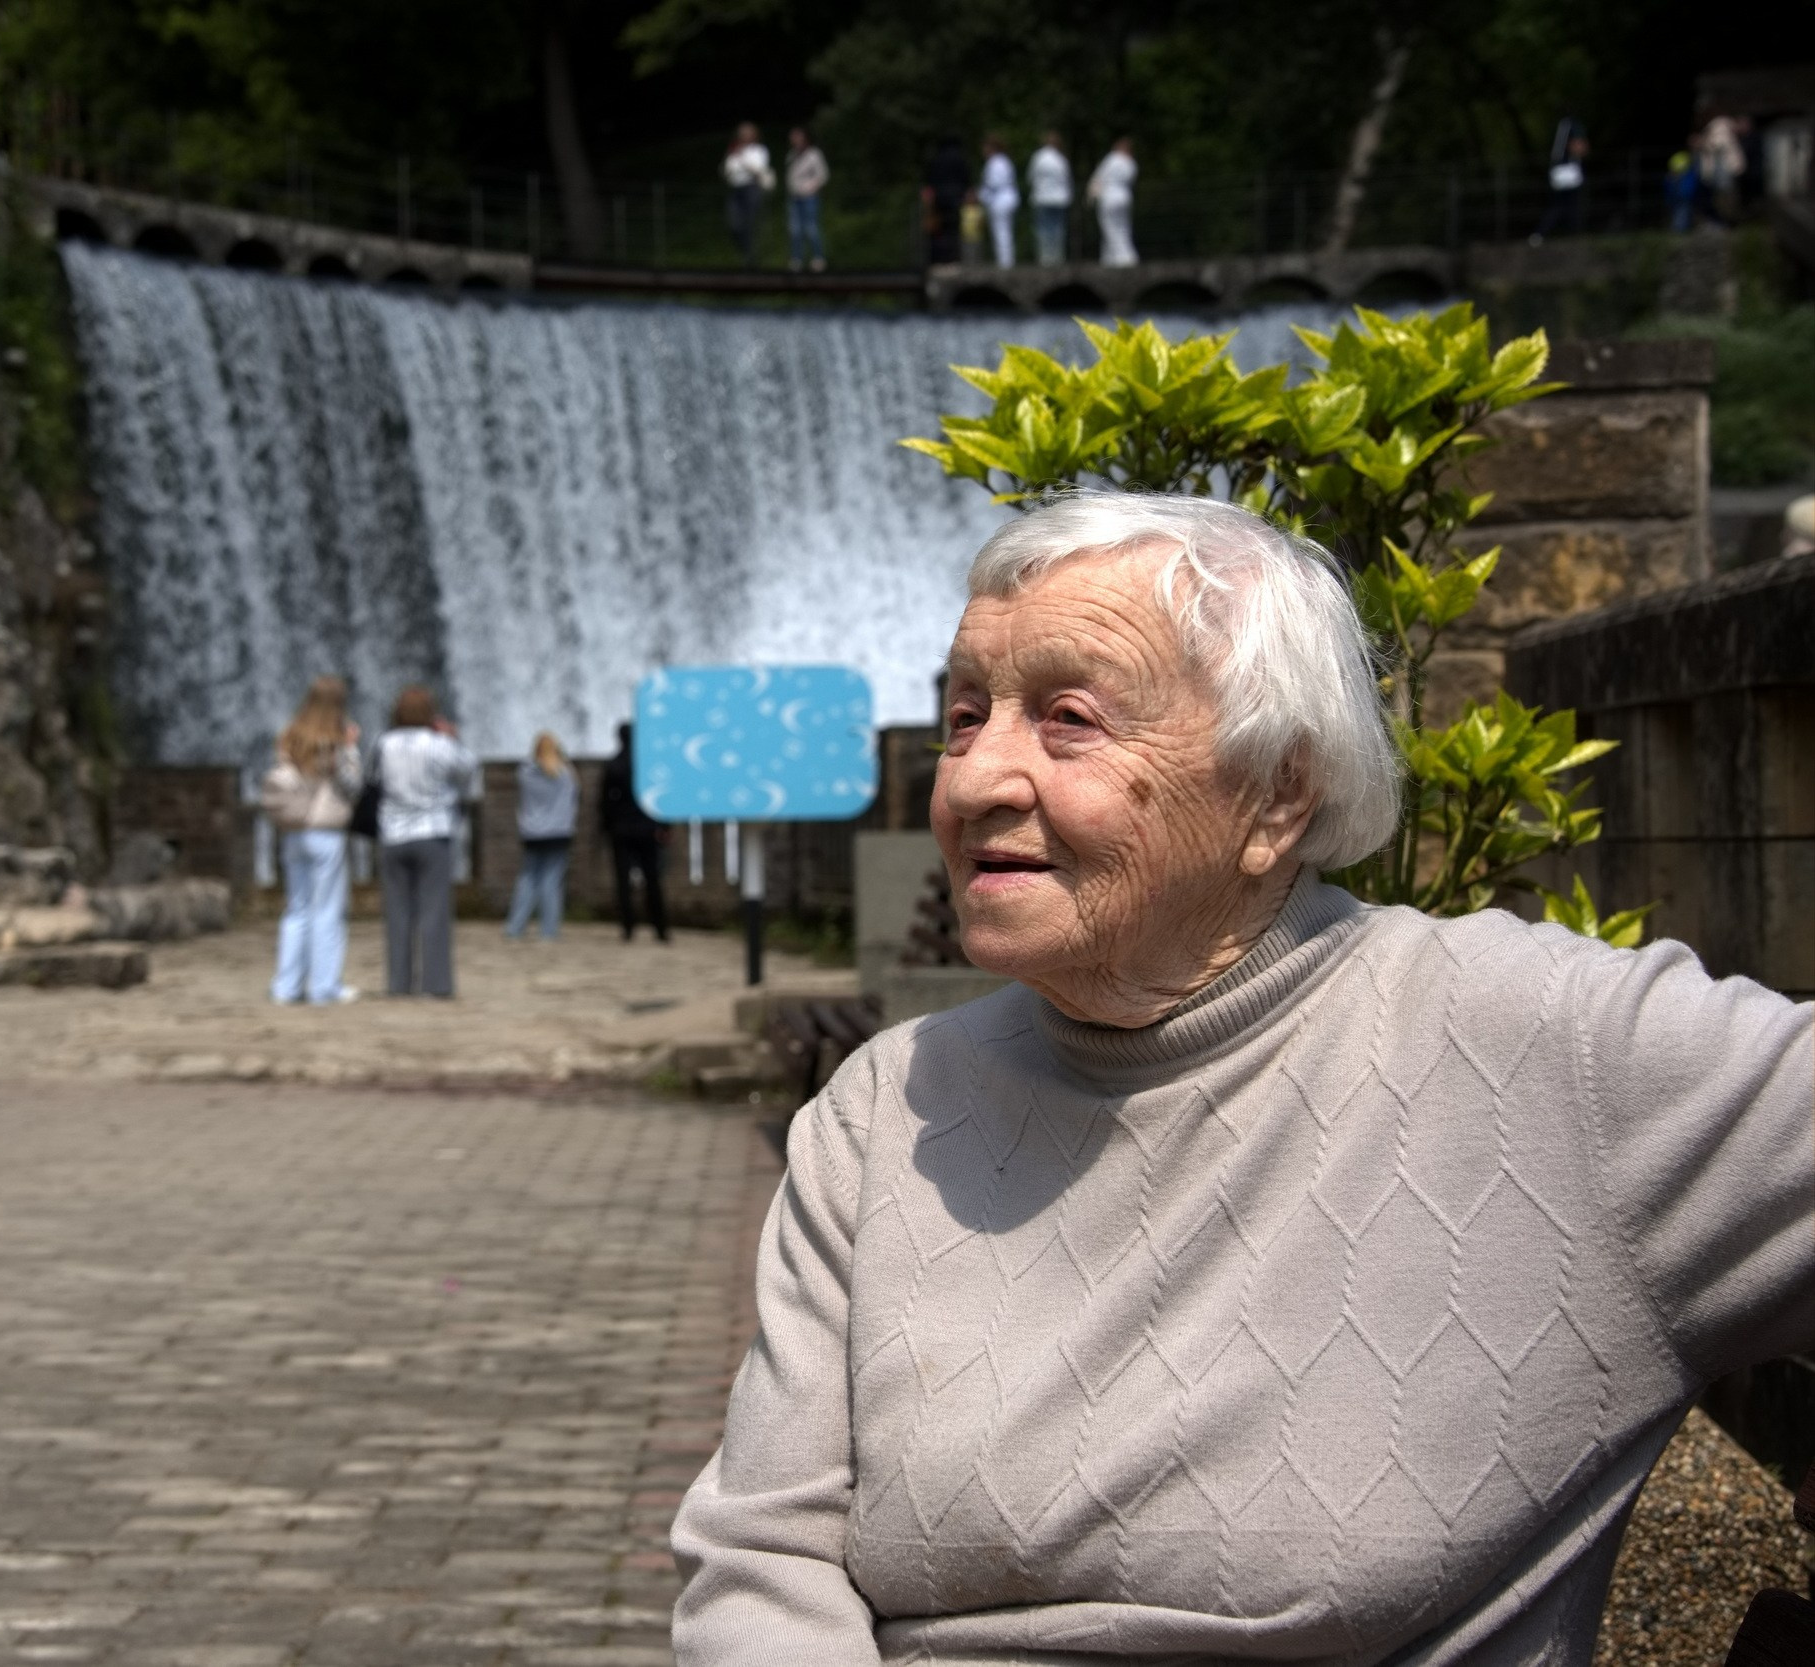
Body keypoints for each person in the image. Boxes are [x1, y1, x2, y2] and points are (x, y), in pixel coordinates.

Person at [670, 492, 1813, 1663]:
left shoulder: (1551, 1051)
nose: (972, 783)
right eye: (965, 717)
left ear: (1275, 793)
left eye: (1069, 719)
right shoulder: (884, 1105)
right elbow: (765, 1550)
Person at [259, 676, 363, 1005]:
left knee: (297, 910)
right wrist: (351, 748)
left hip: (294, 832)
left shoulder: (289, 737)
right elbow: (352, 787)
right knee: (327, 910)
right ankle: (324, 987)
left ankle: (286, 987)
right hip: (326, 832)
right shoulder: (336, 739)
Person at [375, 684, 475, 998]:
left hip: (393, 834)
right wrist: (452, 738)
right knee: (434, 911)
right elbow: (467, 771)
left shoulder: (384, 744)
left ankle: (399, 984)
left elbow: (374, 781)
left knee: (397, 914)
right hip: (433, 831)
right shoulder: (439, 745)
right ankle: (436, 984)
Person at [503, 731, 579, 942]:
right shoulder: (565, 774)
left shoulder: (524, 772)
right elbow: (574, 796)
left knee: (527, 879)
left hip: (532, 831)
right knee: (551, 881)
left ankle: (515, 927)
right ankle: (548, 930)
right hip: (559, 831)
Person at [599, 722, 669, 944]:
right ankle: (660, 929)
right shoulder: (648, 764)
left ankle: (628, 928)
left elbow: (605, 801)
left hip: (621, 830)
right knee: (652, 879)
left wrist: (606, 827)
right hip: (648, 829)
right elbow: (660, 797)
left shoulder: (613, 765)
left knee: (623, 880)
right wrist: (665, 826)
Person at [723, 123, 776, 267]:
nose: (743, 136)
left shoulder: (759, 150)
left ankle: (751, 258)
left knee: (749, 223)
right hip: (736, 189)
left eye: (746, 133)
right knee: (734, 224)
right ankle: (745, 252)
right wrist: (734, 160)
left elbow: (759, 169)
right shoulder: (734, 151)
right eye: (741, 133)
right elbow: (727, 170)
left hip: (751, 188)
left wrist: (743, 160)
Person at [1531, 118, 1586, 243]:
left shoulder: (1562, 128)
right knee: (1561, 206)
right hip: (1566, 174)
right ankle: (1541, 233)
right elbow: (1579, 148)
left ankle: (1542, 234)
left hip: (1561, 174)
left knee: (1566, 206)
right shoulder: (1571, 127)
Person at [919, 137, 971, 267]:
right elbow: (966, 179)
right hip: (956, 198)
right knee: (954, 229)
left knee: (938, 230)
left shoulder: (936, 159)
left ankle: (937, 259)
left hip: (939, 199)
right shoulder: (960, 158)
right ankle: (953, 258)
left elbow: (928, 180)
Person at [1086, 135, 1137, 266]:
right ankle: (1112, 257)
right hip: (1125, 197)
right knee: (1123, 227)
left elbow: (1098, 178)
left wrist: (1091, 196)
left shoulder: (1111, 159)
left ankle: (1122, 257)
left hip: (1109, 197)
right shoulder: (1130, 163)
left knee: (1109, 228)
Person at [785, 127, 829, 273]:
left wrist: (811, 187)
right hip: (794, 197)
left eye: (797, 137)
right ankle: (796, 259)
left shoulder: (814, 154)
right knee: (795, 229)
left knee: (811, 228)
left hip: (809, 197)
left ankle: (818, 258)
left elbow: (823, 175)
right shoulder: (792, 155)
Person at [1026, 129, 1071, 263]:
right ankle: (1057, 257)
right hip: (1060, 199)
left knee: (1043, 228)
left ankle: (1045, 258)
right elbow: (1067, 180)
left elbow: (1030, 177)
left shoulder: (1038, 157)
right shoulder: (1061, 159)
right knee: (1058, 229)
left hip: (1042, 198)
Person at [979, 135, 1019, 269]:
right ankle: (1006, 261)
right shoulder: (1005, 161)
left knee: (1001, 232)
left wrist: (982, 194)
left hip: (1000, 200)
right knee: (1005, 232)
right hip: (1007, 198)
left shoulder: (995, 162)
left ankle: (1005, 263)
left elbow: (993, 183)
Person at [1667, 139, 1701, 232]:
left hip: (1684, 192)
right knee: (1682, 211)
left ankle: (1681, 229)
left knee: (1683, 211)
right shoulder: (1686, 158)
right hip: (1682, 192)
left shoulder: (1688, 158)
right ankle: (1680, 229)